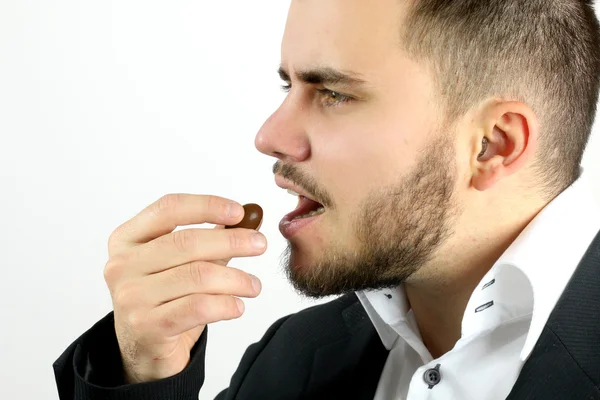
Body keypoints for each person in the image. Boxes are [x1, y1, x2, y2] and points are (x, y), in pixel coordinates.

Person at [54, 0, 600, 399]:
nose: (269, 136)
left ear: (492, 144)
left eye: (333, 94)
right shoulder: (289, 363)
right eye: (287, 87)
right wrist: (146, 374)